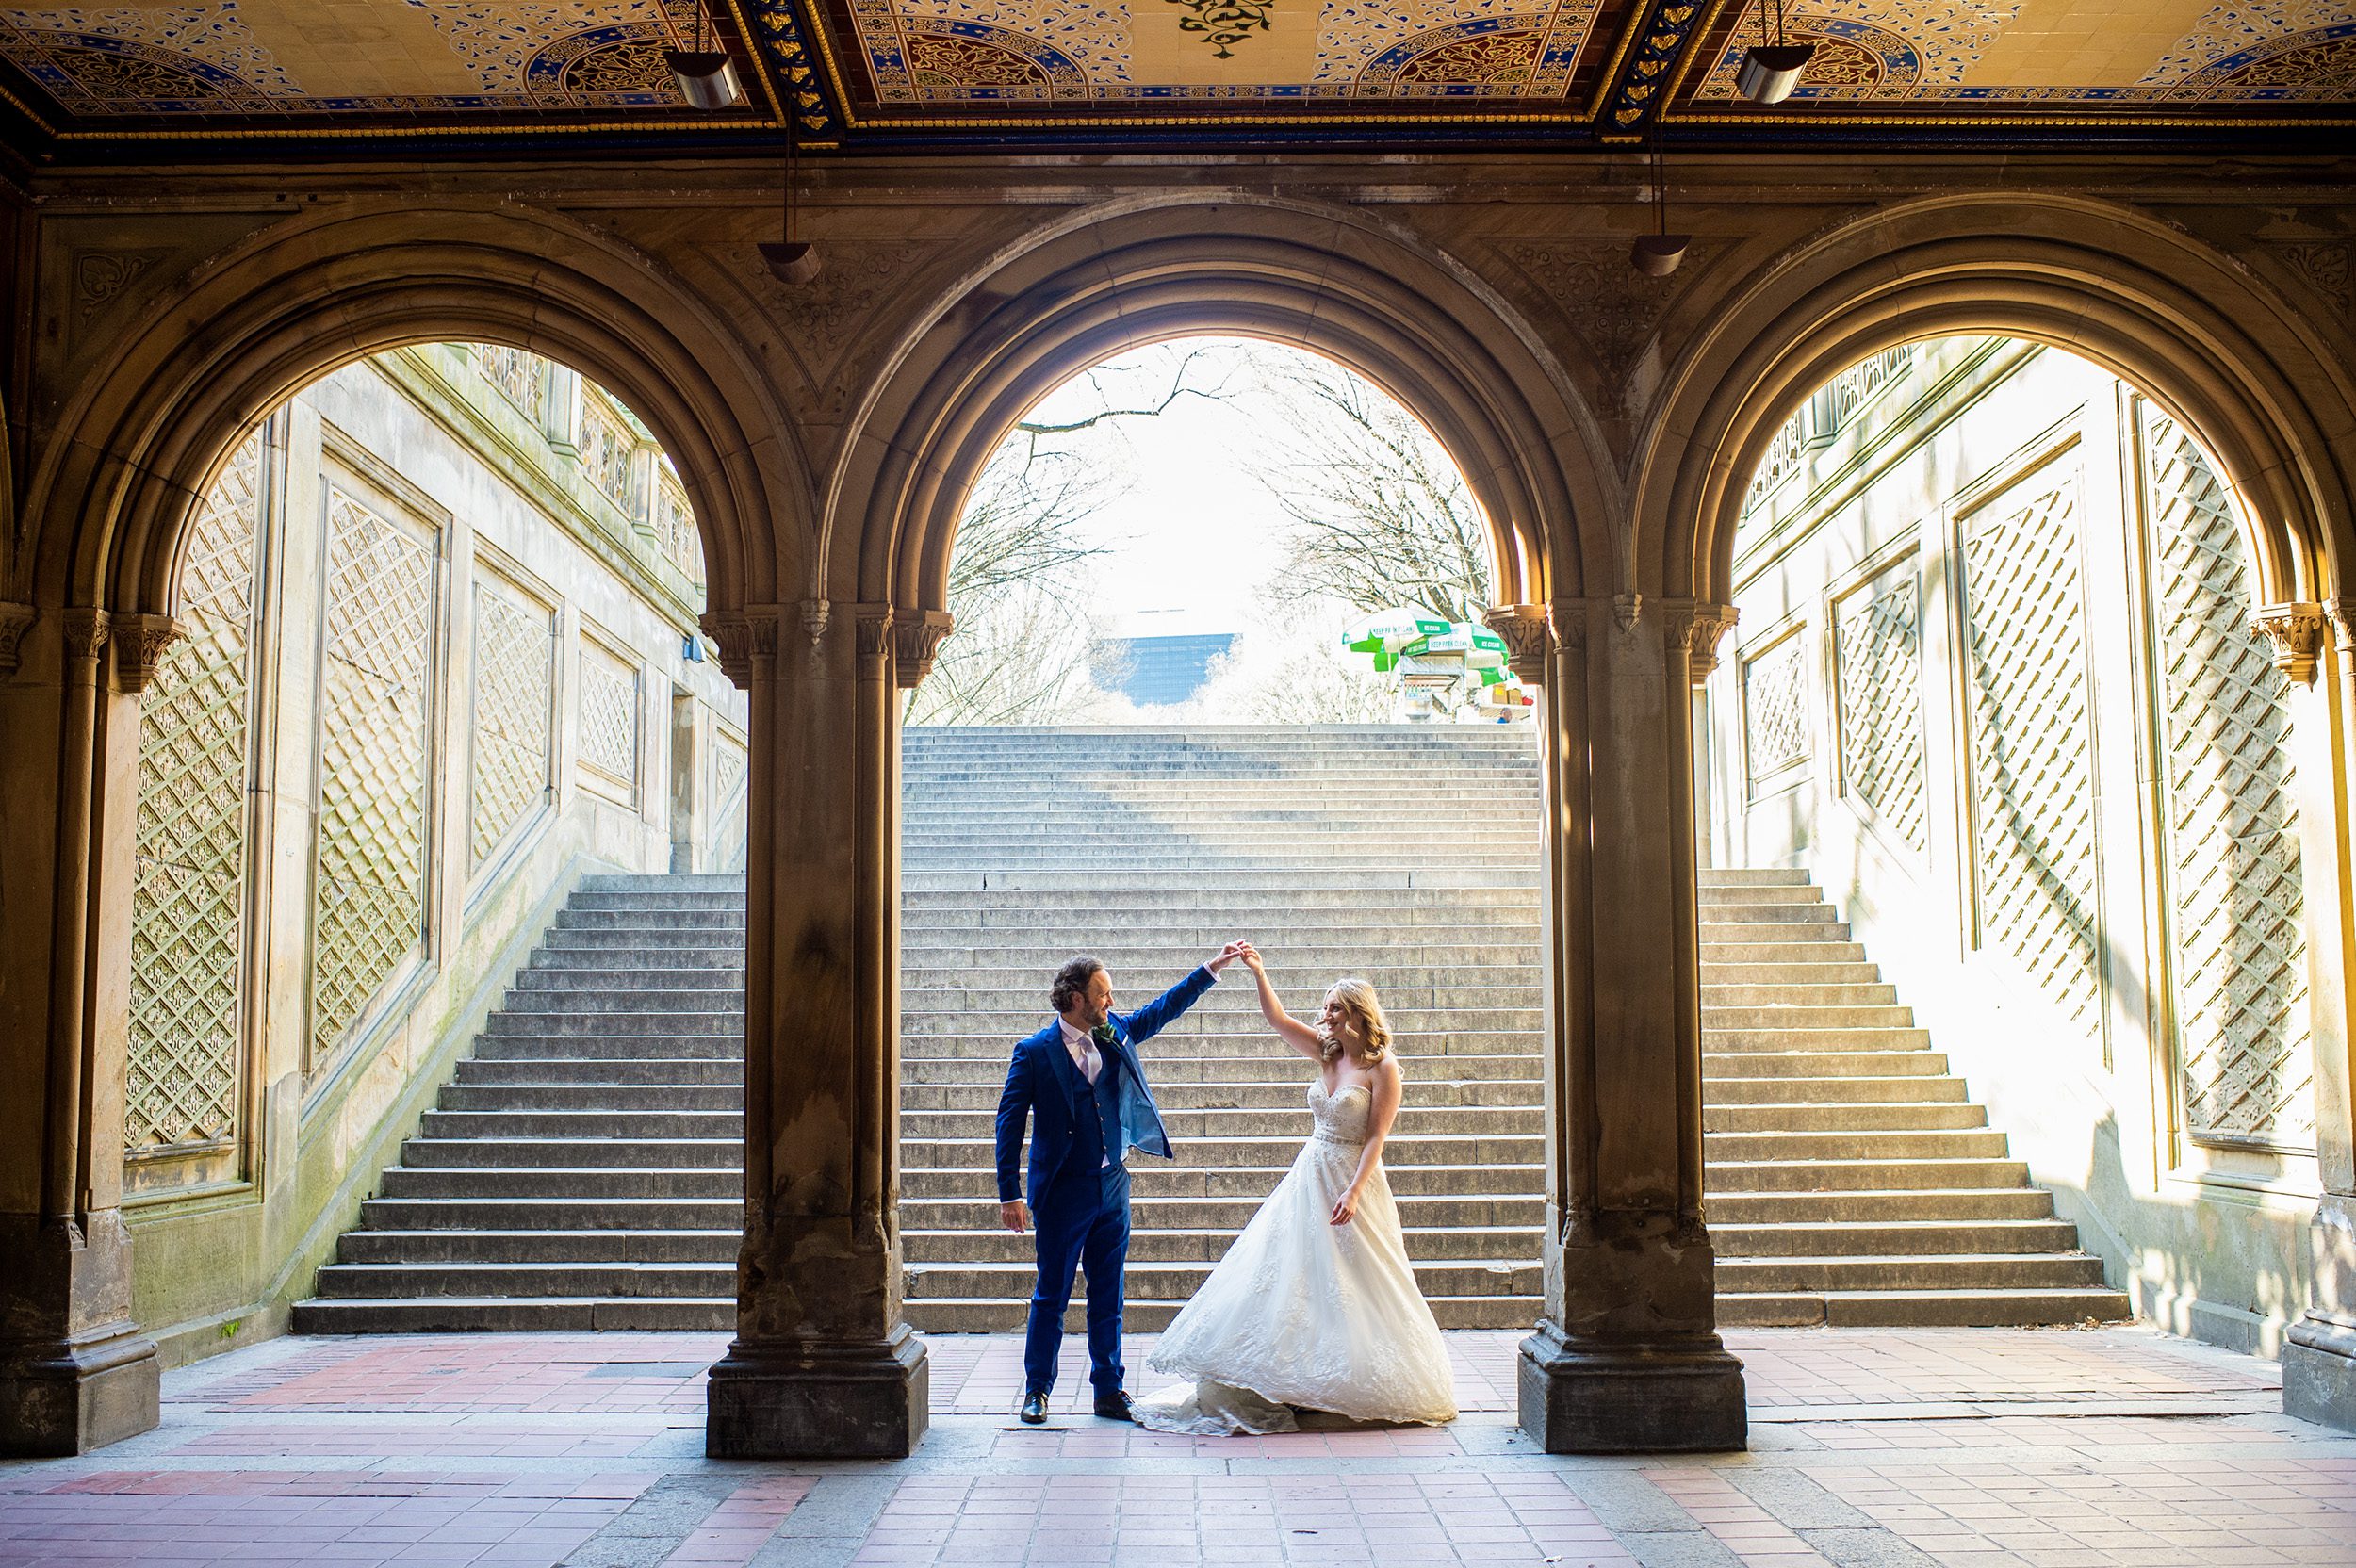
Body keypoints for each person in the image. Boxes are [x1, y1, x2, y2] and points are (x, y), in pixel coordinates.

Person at [1132, 944, 1459, 1434]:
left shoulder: (1382, 1068)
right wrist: (1258, 972)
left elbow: (1376, 1138)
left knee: (1357, 1278)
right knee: (1295, 1272)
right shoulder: (1326, 1051)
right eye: (1325, 1006)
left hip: (1352, 1177)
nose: (1325, 1014)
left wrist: (1353, 1191)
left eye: (1334, 1008)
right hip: (1310, 1174)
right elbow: (1277, 1019)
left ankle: (1361, 1378)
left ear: (1358, 1014)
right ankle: (1292, 1378)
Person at [997, 944, 1248, 1424]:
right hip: (1061, 1192)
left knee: (1108, 1292)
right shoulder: (1033, 1053)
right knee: (1051, 1293)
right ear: (1074, 998)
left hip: (1113, 1185)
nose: (1111, 1002)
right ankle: (1037, 1391)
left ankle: (1108, 1389)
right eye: (1102, 994)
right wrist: (1009, 1192)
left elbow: (1163, 1009)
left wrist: (1210, 969)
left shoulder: (1116, 1034)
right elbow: (1009, 1124)